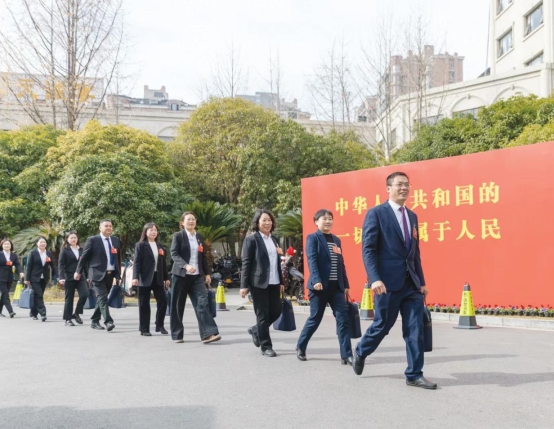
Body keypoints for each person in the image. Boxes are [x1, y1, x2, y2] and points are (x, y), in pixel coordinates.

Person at [353, 172, 436, 390]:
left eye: (407, 185)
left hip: (411, 284)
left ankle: (414, 374)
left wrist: (422, 282)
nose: (404, 188)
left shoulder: (413, 216)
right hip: (386, 283)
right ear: (388, 188)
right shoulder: (376, 214)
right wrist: (374, 279)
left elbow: (415, 254)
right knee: (382, 325)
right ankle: (361, 350)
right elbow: (368, 250)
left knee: (415, 329)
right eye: (399, 184)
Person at [296, 209, 353, 365]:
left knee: (343, 320)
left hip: (336, 288)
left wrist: (345, 284)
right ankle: (301, 346)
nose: (328, 221)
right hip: (319, 287)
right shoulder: (313, 238)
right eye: (324, 219)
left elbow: (341, 264)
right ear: (316, 222)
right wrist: (316, 279)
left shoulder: (336, 240)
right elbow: (312, 260)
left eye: (330, 218)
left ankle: (346, 355)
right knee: (315, 319)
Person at [169, 211, 221, 344]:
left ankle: (208, 334)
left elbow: (202, 256)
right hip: (180, 275)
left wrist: (207, 273)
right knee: (177, 305)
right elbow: (174, 254)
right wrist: (186, 266)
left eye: (193, 219)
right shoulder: (178, 236)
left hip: (196, 276)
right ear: (182, 223)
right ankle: (177, 335)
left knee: (202, 303)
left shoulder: (199, 237)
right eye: (188, 219)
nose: (191, 221)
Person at [240, 209, 285, 357]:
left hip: (274, 281)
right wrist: (244, 285)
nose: (267, 223)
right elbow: (246, 263)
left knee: (277, 310)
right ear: (257, 223)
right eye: (264, 220)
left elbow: (277, 263)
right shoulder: (251, 240)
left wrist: (281, 281)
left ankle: (256, 330)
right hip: (258, 283)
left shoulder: (274, 239)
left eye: (269, 220)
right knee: (263, 315)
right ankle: (266, 346)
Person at [75, 219, 121, 332]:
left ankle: (94, 321)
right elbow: (84, 257)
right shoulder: (93, 240)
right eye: (106, 226)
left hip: (110, 274)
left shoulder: (115, 240)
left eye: (110, 226)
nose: (109, 228)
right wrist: (78, 271)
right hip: (96, 273)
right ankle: (108, 321)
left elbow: (117, 259)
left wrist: (118, 274)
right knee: (103, 297)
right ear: (100, 228)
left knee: (102, 298)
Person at [132, 222, 170, 336]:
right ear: (145, 232)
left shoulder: (160, 245)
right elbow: (137, 262)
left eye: (155, 230)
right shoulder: (140, 245)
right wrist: (135, 277)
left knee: (163, 301)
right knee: (144, 304)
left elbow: (163, 263)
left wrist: (166, 278)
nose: (153, 232)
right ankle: (144, 329)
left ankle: (159, 325)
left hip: (158, 277)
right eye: (151, 230)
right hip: (144, 278)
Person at [58, 231, 88, 326]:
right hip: (69, 277)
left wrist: (88, 277)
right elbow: (61, 264)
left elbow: (85, 264)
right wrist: (61, 277)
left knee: (84, 295)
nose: (74, 239)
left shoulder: (82, 250)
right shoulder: (64, 250)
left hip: (81, 277)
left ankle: (76, 313)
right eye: (71, 238)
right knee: (69, 298)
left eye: (75, 237)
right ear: (67, 239)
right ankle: (68, 319)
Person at [25, 236, 57, 322]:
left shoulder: (49, 253)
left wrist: (58, 275)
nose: (43, 244)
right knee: (38, 294)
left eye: (44, 242)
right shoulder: (33, 253)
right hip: (34, 278)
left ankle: (34, 312)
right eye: (41, 242)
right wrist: (27, 278)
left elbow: (53, 265)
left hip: (44, 278)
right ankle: (43, 313)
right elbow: (29, 266)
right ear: (37, 244)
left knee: (38, 295)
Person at [0, 239, 24, 318]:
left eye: (8, 244)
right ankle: (11, 311)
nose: (7, 245)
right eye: (5, 244)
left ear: (11, 245)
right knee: (5, 294)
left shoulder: (13, 255)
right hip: (0, 278)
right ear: (2, 245)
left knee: (4, 295)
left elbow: (17, 265)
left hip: (9, 278)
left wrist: (20, 272)